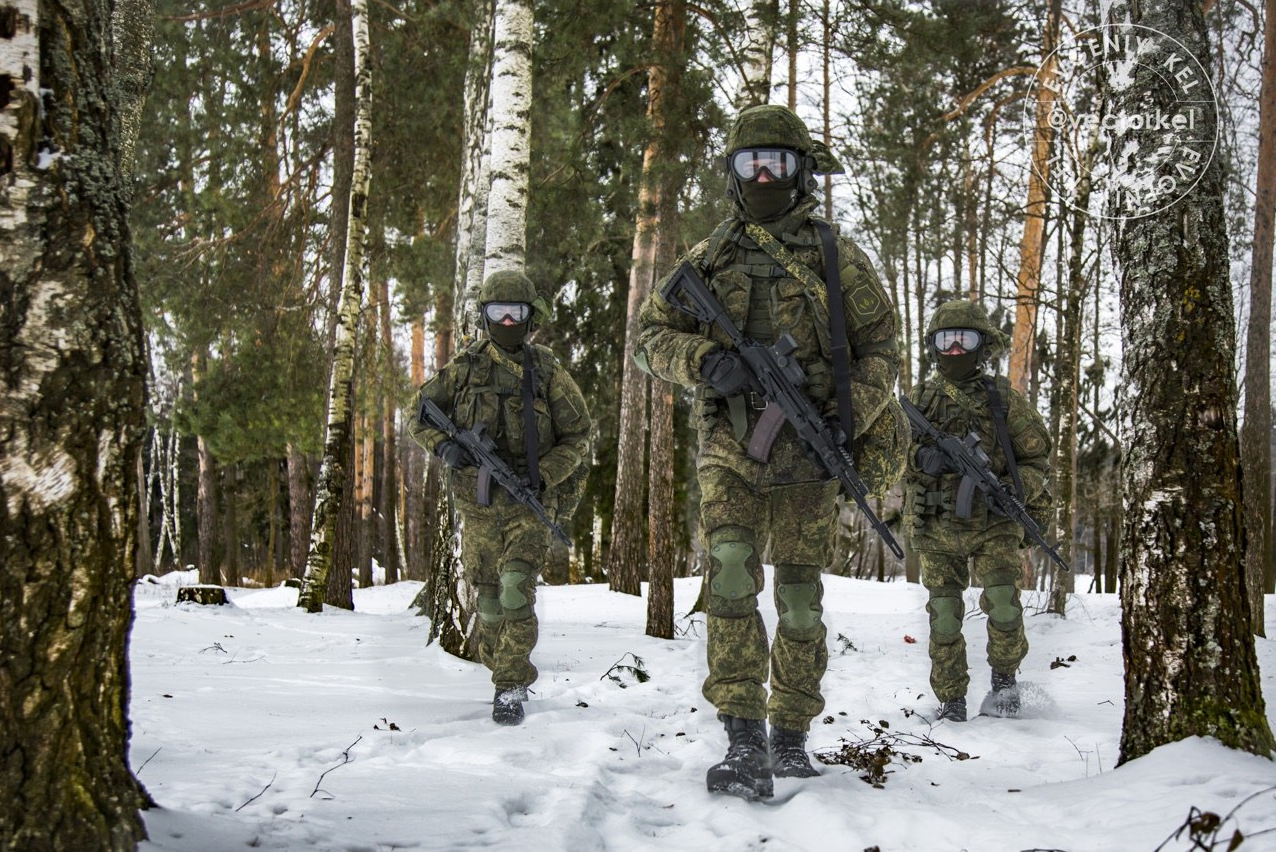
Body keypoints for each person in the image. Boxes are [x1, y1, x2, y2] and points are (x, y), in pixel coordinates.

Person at [634, 104, 907, 800]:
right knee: (729, 573)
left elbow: (884, 348)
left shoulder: (836, 255)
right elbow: (647, 338)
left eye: (776, 164)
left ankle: (789, 733)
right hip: (730, 446)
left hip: (809, 456)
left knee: (799, 598)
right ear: (732, 172)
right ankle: (742, 732)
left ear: (801, 171)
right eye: (750, 163)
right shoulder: (712, 254)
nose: (763, 175)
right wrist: (703, 361)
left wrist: (847, 412)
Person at [407, 270, 591, 726]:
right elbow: (418, 414)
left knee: (515, 589)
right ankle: (501, 665)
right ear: (484, 316)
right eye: (498, 313)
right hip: (479, 507)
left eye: (517, 313)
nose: (507, 321)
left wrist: (543, 474)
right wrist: (444, 446)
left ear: (531, 319)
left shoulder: (546, 370)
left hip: (528, 504)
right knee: (487, 602)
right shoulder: (466, 369)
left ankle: (510, 685)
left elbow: (578, 435)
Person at [901, 299, 1052, 723]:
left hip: (994, 521)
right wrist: (919, 460)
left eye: (963, 339)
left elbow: (1037, 457)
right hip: (936, 524)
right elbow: (891, 452)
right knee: (945, 615)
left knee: (1004, 603)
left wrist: (1015, 488)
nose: (954, 350)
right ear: (932, 346)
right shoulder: (920, 399)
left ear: (981, 345)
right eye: (944, 341)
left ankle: (1004, 680)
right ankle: (952, 699)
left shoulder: (1001, 397)